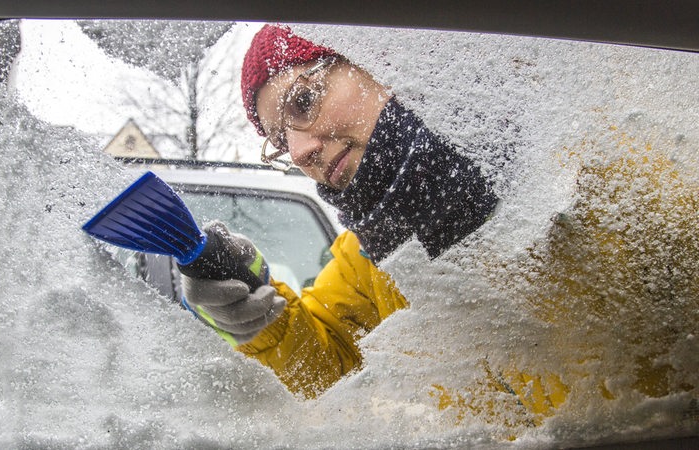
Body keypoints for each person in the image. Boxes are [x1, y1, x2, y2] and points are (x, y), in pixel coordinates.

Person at [179, 24, 699, 427]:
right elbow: (335, 364)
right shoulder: (369, 253)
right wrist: (264, 318)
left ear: (380, 62)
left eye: (303, 102)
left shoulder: (588, 166)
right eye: (279, 142)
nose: (300, 151)